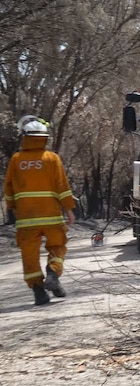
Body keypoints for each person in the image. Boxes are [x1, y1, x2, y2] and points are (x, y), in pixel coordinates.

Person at [3, 115, 76, 305]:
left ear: (24, 137)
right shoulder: (51, 158)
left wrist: (12, 208)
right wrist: (69, 209)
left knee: (29, 254)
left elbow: (9, 188)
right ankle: (53, 273)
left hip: (26, 218)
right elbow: (62, 185)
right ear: (44, 137)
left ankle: (38, 291)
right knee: (57, 246)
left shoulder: (16, 160)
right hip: (51, 216)